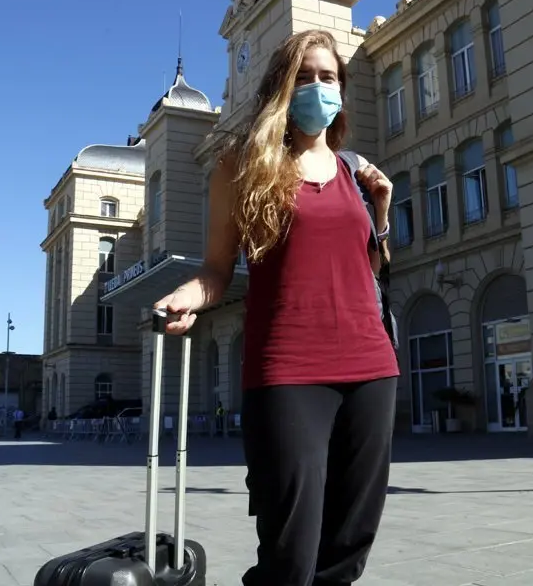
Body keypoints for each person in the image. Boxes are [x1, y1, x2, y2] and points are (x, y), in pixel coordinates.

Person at [154, 29, 400, 586]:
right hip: (287, 371)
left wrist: (381, 214)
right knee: (290, 554)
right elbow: (217, 271)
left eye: (329, 77)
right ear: (281, 89)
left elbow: (369, 270)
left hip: (371, 366)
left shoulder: (353, 169)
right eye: (304, 77)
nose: (318, 87)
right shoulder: (240, 167)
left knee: (349, 545)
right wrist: (185, 297)